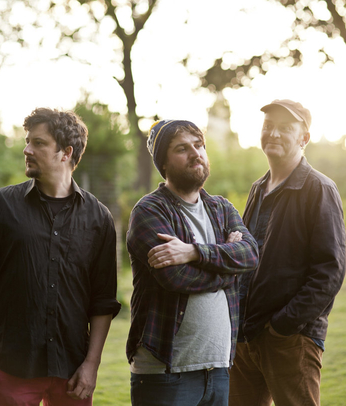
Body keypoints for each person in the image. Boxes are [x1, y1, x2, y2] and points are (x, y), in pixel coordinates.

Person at [0, 108, 121, 406]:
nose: (27, 149)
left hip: (73, 372)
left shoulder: (99, 218)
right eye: (28, 141)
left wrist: (92, 365)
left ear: (65, 152)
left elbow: (103, 300)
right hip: (11, 364)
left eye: (38, 143)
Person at [126, 119, 259, 406]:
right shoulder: (149, 210)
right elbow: (175, 277)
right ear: (164, 163)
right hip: (165, 372)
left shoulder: (221, 208)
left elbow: (250, 254)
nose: (195, 153)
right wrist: (228, 269)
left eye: (199, 145)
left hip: (219, 367)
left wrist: (194, 252)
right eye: (182, 149)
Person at [229, 99, 346, 406]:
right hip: (245, 336)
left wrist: (283, 326)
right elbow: (248, 257)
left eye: (285, 128)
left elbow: (330, 271)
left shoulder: (319, 188)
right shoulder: (258, 188)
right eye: (268, 127)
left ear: (303, 138)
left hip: (290, 339)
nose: (274, 134)